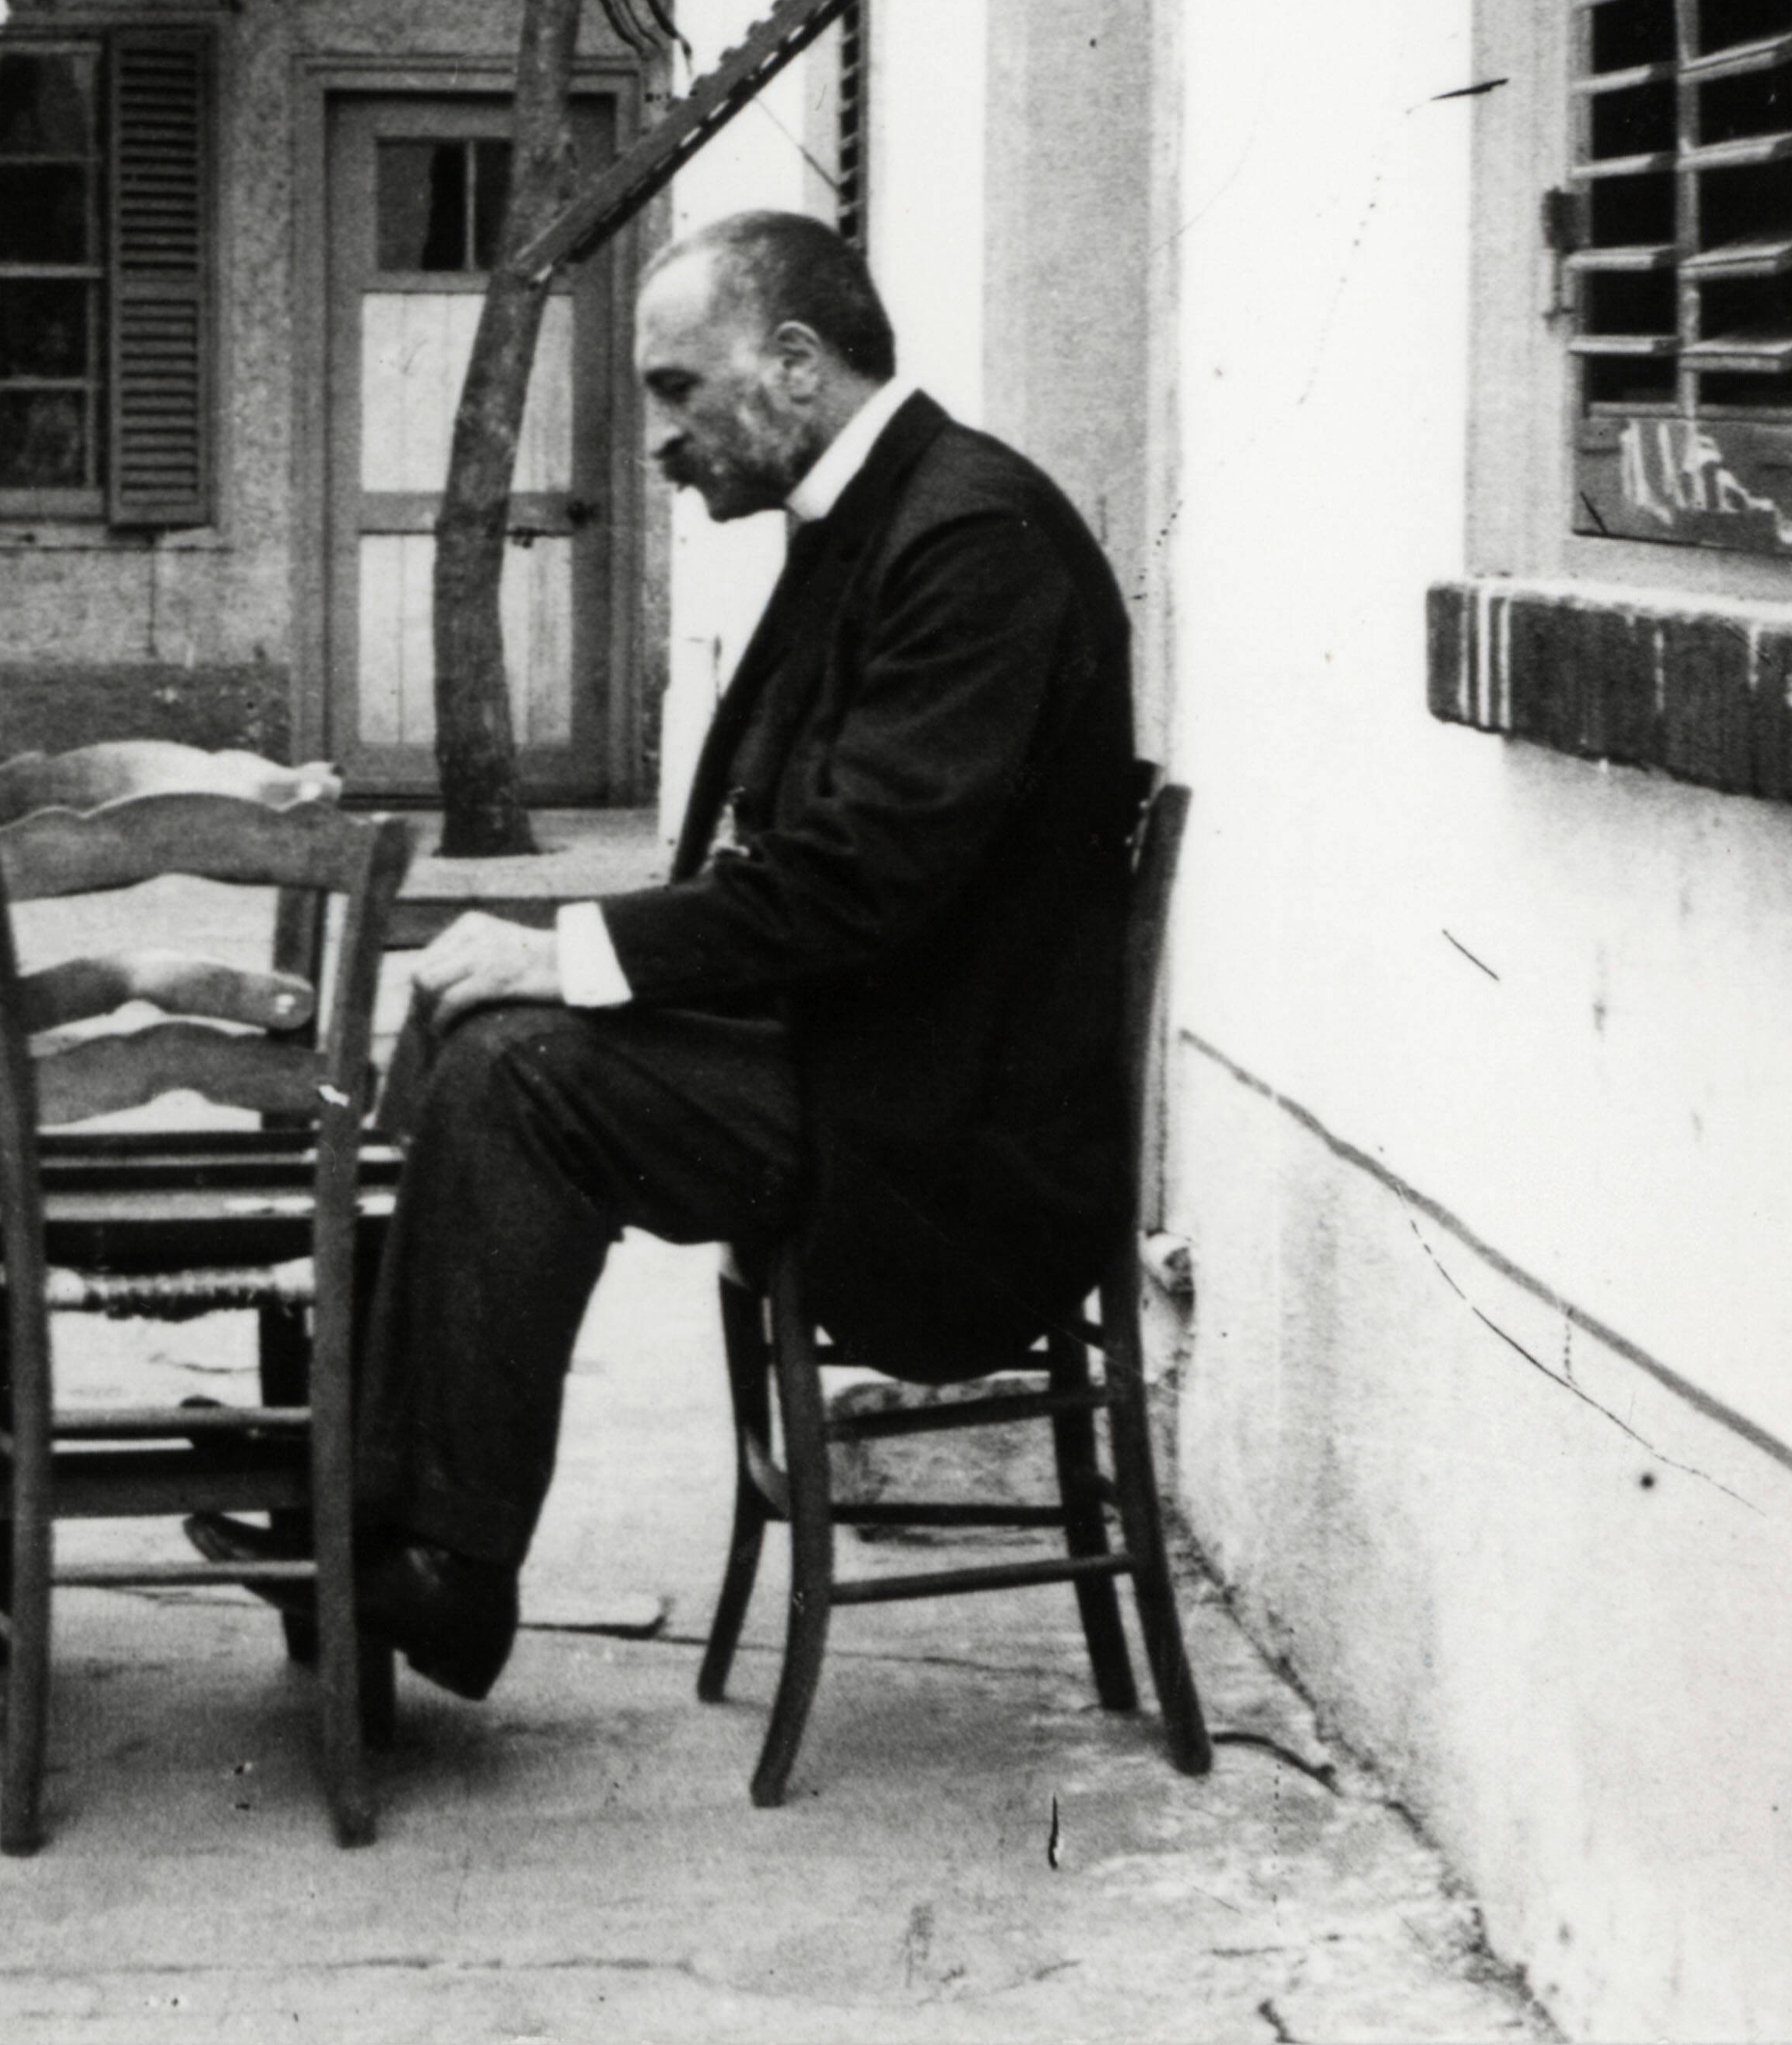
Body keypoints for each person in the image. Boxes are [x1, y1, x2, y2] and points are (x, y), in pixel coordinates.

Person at [197, 210, 1140, 1703]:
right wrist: (563, 958)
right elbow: (801, 870)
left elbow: (852, 887)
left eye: (678, 389)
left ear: (795, 364)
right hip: (869, 1057)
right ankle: (366, 1507)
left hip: (949, 1139)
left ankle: (446, 1563)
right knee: (460, 1009)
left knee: (519, 1071)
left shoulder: (971, 541)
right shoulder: (882, 514)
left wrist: (577, 949)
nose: (658, 439)